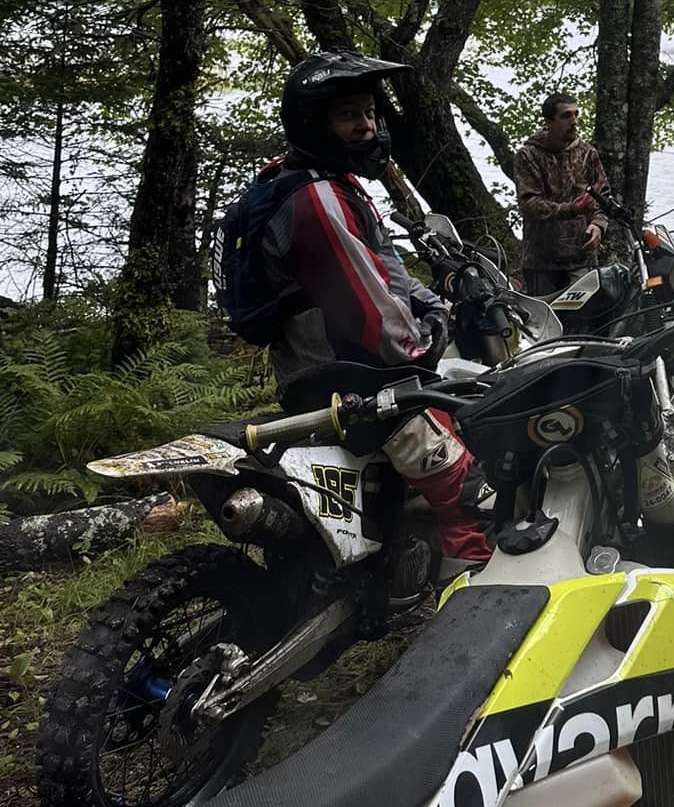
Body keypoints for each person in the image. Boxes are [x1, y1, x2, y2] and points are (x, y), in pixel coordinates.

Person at [252, 50, 490, 574]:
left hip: (340, 369)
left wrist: (432, 303)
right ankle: (473, 599)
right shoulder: (318, 200)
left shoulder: (329, 182)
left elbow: (387, 270)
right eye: (347, 116)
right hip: (353, 379)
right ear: (315, 124)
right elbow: (379, 321)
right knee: (473, 494)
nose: (365, 127)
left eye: (368, 113)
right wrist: (427, 341)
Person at [513, 93, 610, 296]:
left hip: (581, 258)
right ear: (549, 122)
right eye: (566, 116)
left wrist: (598, 225)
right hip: (542, 261)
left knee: (585, 321)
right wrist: (571, 209)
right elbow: (529, 204)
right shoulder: (529, 155)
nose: (574, 122)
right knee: (545, 324)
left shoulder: (587, 153)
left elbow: (603, 197)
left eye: (576, 115)